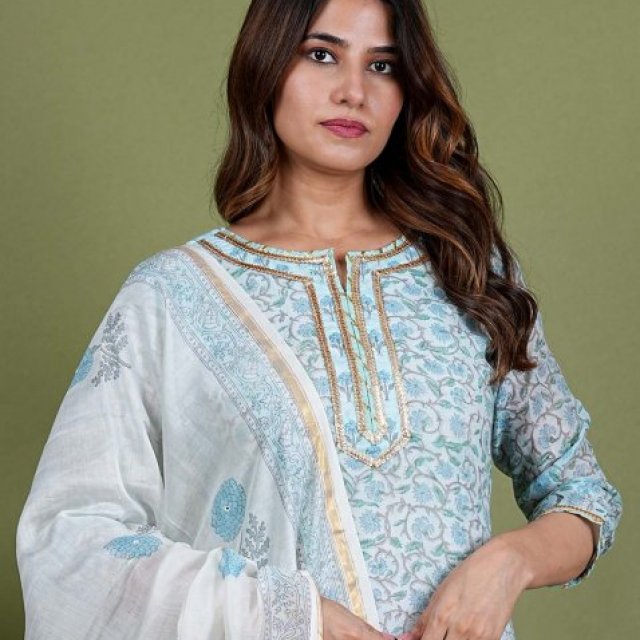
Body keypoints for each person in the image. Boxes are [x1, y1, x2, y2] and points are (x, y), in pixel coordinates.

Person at [16, 0, 623, 639]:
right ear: (266, 65)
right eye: (322, 54)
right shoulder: (172, 298)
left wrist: (509, 562)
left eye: (383, 65)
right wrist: (292, 614)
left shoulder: (470, 272)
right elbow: (70, 540)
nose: (353, 91)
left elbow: (582, 494)